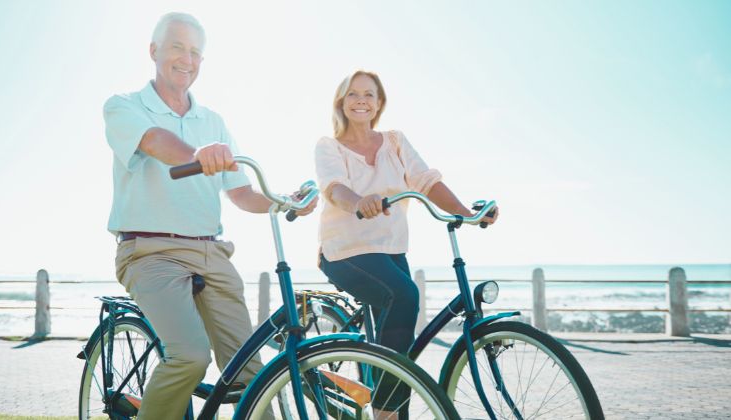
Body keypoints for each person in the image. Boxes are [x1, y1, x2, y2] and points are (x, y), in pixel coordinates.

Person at [104, 13, 315, 419]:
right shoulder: (124, 106)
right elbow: (152, 141)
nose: (187, 59)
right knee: (190, 356)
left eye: (195, 52)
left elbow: (241, 193)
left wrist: (284, 201)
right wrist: (196, 155)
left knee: (250, 370)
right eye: (177, 47)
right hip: (150, 253)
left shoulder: (212, 121)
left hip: (210, 251)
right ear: (154, 51)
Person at [315, 70, 499, 418]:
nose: (361, 101)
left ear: (379, 103)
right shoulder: (329, 145)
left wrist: (465, 213)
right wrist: (357, 202)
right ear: (341, 101)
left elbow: (425, 181)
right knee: (405, 296)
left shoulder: (395, 141)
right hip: (345, 251)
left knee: (395, 342)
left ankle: (377, 399)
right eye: (353, 94)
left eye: (369, 95)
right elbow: (333, 187)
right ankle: (386, 413)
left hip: (390, 251)